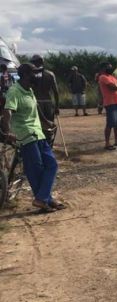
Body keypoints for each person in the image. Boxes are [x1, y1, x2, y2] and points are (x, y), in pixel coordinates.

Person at [1, 63, 65, 213]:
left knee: (51, 164)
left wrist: (46, 122)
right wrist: (8, 130)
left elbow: (35, 109)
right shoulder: (14, 91)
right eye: (34, 73)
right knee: (35, 169)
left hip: (38, 133)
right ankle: (44, 200)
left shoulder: (30, 90)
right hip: (25, 135)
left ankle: (43, 198)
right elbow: (7, 112)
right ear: (24, 74)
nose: (37, 76)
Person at [29, 55, 59, 145]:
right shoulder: (50, 74)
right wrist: (57, 106)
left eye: (34, 62)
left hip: (37, 102)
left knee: (38, 124)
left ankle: (41, 143)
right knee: (48, 124)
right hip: (48, 103)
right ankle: (48, 143)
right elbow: (56, 92)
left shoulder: (31, 75)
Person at [98, 62, 117, 150]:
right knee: (110, 123)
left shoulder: (112, 77)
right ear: (103, 68)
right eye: (108, 67)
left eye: (111, 67)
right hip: (110, 103)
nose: (110, 68)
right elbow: (112, 87)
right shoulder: (103, 77)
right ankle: (107, 143)